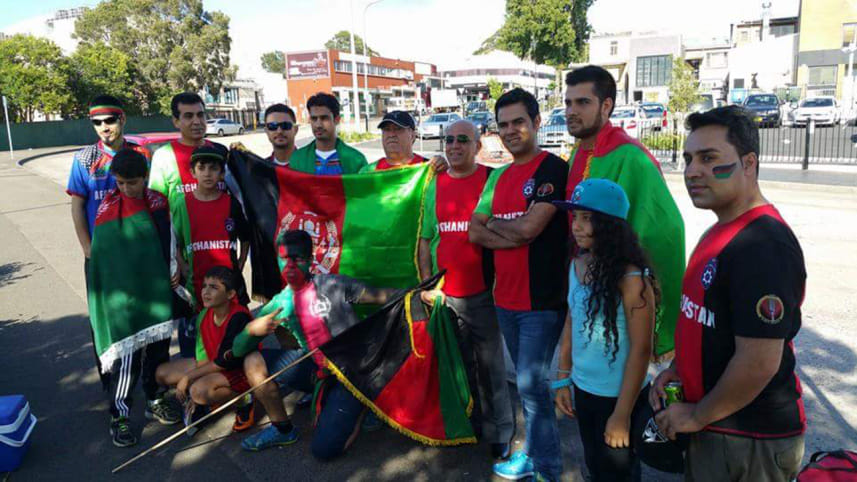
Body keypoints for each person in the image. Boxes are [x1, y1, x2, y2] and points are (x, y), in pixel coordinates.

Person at [651, 106, 806, 481]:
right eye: (688, 159)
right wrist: (677, 370)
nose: (692, 171)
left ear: (748, 163)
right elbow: (705, 321)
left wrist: (697, 415)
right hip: (716, 424)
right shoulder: (720, 230)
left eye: (709, 158)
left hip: (748, 437)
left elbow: (758, 361)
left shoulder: (763, 245)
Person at [468, 88, 568, 482]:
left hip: (540, 301)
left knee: (531, 386)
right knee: (528, 390)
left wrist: (501, 227)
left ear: (537, 123)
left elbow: (531, 228)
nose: (511, 131)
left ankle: (548, 468)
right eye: (503, 124)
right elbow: (476, 232)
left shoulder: (552, 169)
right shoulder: (499, 176)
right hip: (504, 299)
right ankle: (533, 456)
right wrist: (506, 230)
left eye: (518, 123)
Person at [232, 230, 400, 458]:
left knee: (324, 450)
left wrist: (421, 294)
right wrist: (251, 330)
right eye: (284, 258)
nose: (290, 265)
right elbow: (238, 349)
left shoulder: (334, 285)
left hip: (352, 374)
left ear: (310, 261)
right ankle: (282, 429)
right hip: (317, 370)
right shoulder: (279, 303)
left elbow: (382, 296)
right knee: (252, 359)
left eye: (298, 258)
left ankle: (363, 403)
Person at [564, 65, 685, 358]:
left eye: (583, 102)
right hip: (585, 297)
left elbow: (664, 234)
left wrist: (656, 317)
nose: (571, 111)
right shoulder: (577, 153)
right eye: (568, 102)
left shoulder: (632, 157)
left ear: (606, 106)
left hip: (617, 304)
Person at [417, 119, 514, 461]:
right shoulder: (434, 183)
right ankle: (464, 427)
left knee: (492, 370)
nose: (455, 145)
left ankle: (500, 433)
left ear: (477, 146)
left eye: (463, 140)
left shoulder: (492, 179)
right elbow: (426, 239)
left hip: (484, 295)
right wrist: (428, 287)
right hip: (446, 296)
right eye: (449, 140)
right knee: (457, 367)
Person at [553, 179, 658, 482]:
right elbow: (572, 320)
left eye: (588, 218)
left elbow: (640, 350)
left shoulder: (632, 278)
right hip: (584, 390)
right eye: (575, 217)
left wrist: (622, 415)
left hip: (619, 397)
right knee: (595, 465)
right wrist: (562, 378)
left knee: (619, 473)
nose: (577, 226)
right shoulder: (578, 263)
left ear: (611, 224)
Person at [87, 149, 181, 447]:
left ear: (145, 176)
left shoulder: (157, 202)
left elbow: (169, 239)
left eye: (133, 182)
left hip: (156, 291)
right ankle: (121, 414)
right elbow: (105, 257)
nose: (127, 189)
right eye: (121, 183)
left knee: (158, 352)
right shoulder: (107, 209)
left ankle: (155, 398)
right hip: (124, 296)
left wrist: (174, 267)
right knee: (127, 361)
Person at [67, 95, 153, 387]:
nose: (104, 127)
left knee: (145, 310)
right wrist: (88, 249)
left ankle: (147, 379)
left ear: (123, 119)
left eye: (109, 120)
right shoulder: (84, 159)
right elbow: (77, 205)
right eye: (97, 122)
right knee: (104, 317)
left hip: (139, 251)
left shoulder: (142, 153)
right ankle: (110, 378)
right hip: (101, 255)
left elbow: (152, 198)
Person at [155, 266, 269, 434]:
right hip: (214, 365)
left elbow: (224, 362)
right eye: (204, 286)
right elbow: (202, 357)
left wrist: (189, 380)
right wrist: (195, 380)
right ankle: (204, 401)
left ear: (230, 294)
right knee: (162, 373)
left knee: (198, 391)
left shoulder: (239, 317)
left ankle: (243, 399)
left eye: (214, 287)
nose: (206, 292)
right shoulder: (203, 315)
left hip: (238, 370)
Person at [149, 92, 218, 356]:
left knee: (224, 327)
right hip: (186, 264)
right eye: (188, 116)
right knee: (192, 330)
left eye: (201, 114)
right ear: (176, 121)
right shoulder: (164, 157)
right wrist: (176, 259)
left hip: (219, 259)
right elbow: (158, 213)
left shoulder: (218, 152)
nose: (196, 121)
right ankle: (194, 392)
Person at [172, 144, 250, 311]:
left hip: (230, 285)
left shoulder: (230, 203)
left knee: (236, 331)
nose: (207, 173)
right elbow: (175, 241)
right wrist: (182, 265)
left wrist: (241, 263)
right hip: (197, 285)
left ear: (222, 174)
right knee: (202, 333)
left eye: (213, 168)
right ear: (193, 172)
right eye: (201, 168)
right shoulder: (182, 204)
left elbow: (245, 237)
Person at [289, 92, 367, 175]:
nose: (318, 125)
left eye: (324, 118)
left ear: (337, 119)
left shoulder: (356, 160)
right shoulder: (297, 159)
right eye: (314, 119)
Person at [360, 111, 426, 172]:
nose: (391, 135)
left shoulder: (429, 169)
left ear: (412, 135)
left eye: (398, 129)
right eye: (387, 129)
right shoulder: (368, 172)